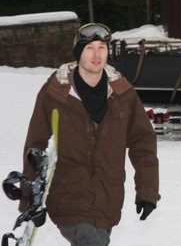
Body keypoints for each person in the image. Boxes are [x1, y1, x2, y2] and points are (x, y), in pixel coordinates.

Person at [19, 23, 160, 246]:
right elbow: (35, 145)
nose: (97, 54)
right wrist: (29, 201)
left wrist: (147, 191)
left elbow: (143, 142)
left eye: (102, 47)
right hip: (69, 199)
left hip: (108, 199)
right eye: (89, 48)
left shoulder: (123, 93)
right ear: (78, 54)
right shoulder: (56, 92)